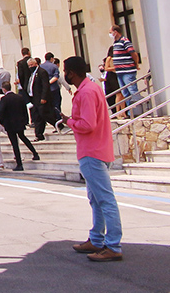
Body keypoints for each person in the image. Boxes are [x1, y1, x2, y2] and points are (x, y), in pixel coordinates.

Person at [60, 56, 124, 261]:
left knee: (104, 199)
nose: (64, 75)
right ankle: (96, 238)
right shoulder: (93, 87)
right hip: (99, 149)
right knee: (96, 199)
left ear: (71, 72)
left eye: (65, 71)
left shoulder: (86, 92)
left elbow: (87, 124)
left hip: (91, 151)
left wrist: (68, 121)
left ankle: (113, 245)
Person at [0, 81, 40, 171]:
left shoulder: (4, 99)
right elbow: (25, 110)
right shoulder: (19, 97)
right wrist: (26, 121)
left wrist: (0, 121)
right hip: (19, 122)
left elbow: (2, 111)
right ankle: (35, 153)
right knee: (23, 137)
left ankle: (19, 164)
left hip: (10, 124)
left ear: (4, 89)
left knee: (15, 144)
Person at [109, 25, 143, 117]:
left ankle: (138, 111)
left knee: (132, 90)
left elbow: (133, 53)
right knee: (125, 92)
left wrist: (136, 64)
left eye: (111, 32)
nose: (110, 34)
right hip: (120, 72)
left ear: (115, 32)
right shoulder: (116, 43)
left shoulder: (124, 41)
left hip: (127, 71)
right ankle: (130, 112)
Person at [27, 57, 52, 141]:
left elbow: (45, 85)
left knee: (44, 114)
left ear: (36, 64)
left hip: (41, 97)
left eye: (32, 65)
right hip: (34, 98)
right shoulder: (32, 74)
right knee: (37, 116)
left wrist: (44, 97)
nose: (30, 67)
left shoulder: (42, 72)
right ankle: (38, 134)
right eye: (29, 65)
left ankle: (58, 124)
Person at [42, 52, 63, 127]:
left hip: (45, 90)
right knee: (57, 104)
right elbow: (56, 77)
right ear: (51, 58)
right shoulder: (54, 66)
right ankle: (59, 119)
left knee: (50, 106)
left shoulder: (41, 66)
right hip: (54, 88)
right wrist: (49, 83)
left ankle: (54, 120)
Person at [16, 47, 35, 126]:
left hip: (25, 86)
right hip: (34, 84)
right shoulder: (33, 60)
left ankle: (30, 120)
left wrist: (23, 86)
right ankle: (35, 120)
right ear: (29, 52)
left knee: (28, 104)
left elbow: (21, 76)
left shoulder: (20, 63)